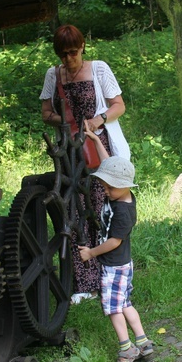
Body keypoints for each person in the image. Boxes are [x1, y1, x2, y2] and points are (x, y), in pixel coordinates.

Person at [39, 24, 130, 304]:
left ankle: (110, 276)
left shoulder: (99, 69)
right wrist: (66, 122)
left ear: (82, 47)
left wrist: (97, 120)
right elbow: (45, 113)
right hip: (70, 151)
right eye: (63, 54)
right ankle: (83, 283)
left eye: (73, 52)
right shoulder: (53, 75)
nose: (69, 59)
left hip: (98, 148)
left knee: (100, 209)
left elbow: (119, 105)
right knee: (74, 210)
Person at [79, 129, 153, 362]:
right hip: (122, 264)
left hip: (114, 264)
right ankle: (143, 342)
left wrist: (91, 253)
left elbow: (113, 242)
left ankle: (126, 348)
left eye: (110, 187)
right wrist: (96, 140)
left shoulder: (123, 212)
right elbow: (108, 164)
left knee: (112, 307)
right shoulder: (120, 195)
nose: (105, 191)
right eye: (105, 185)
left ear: (123, 186)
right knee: (124, 303)